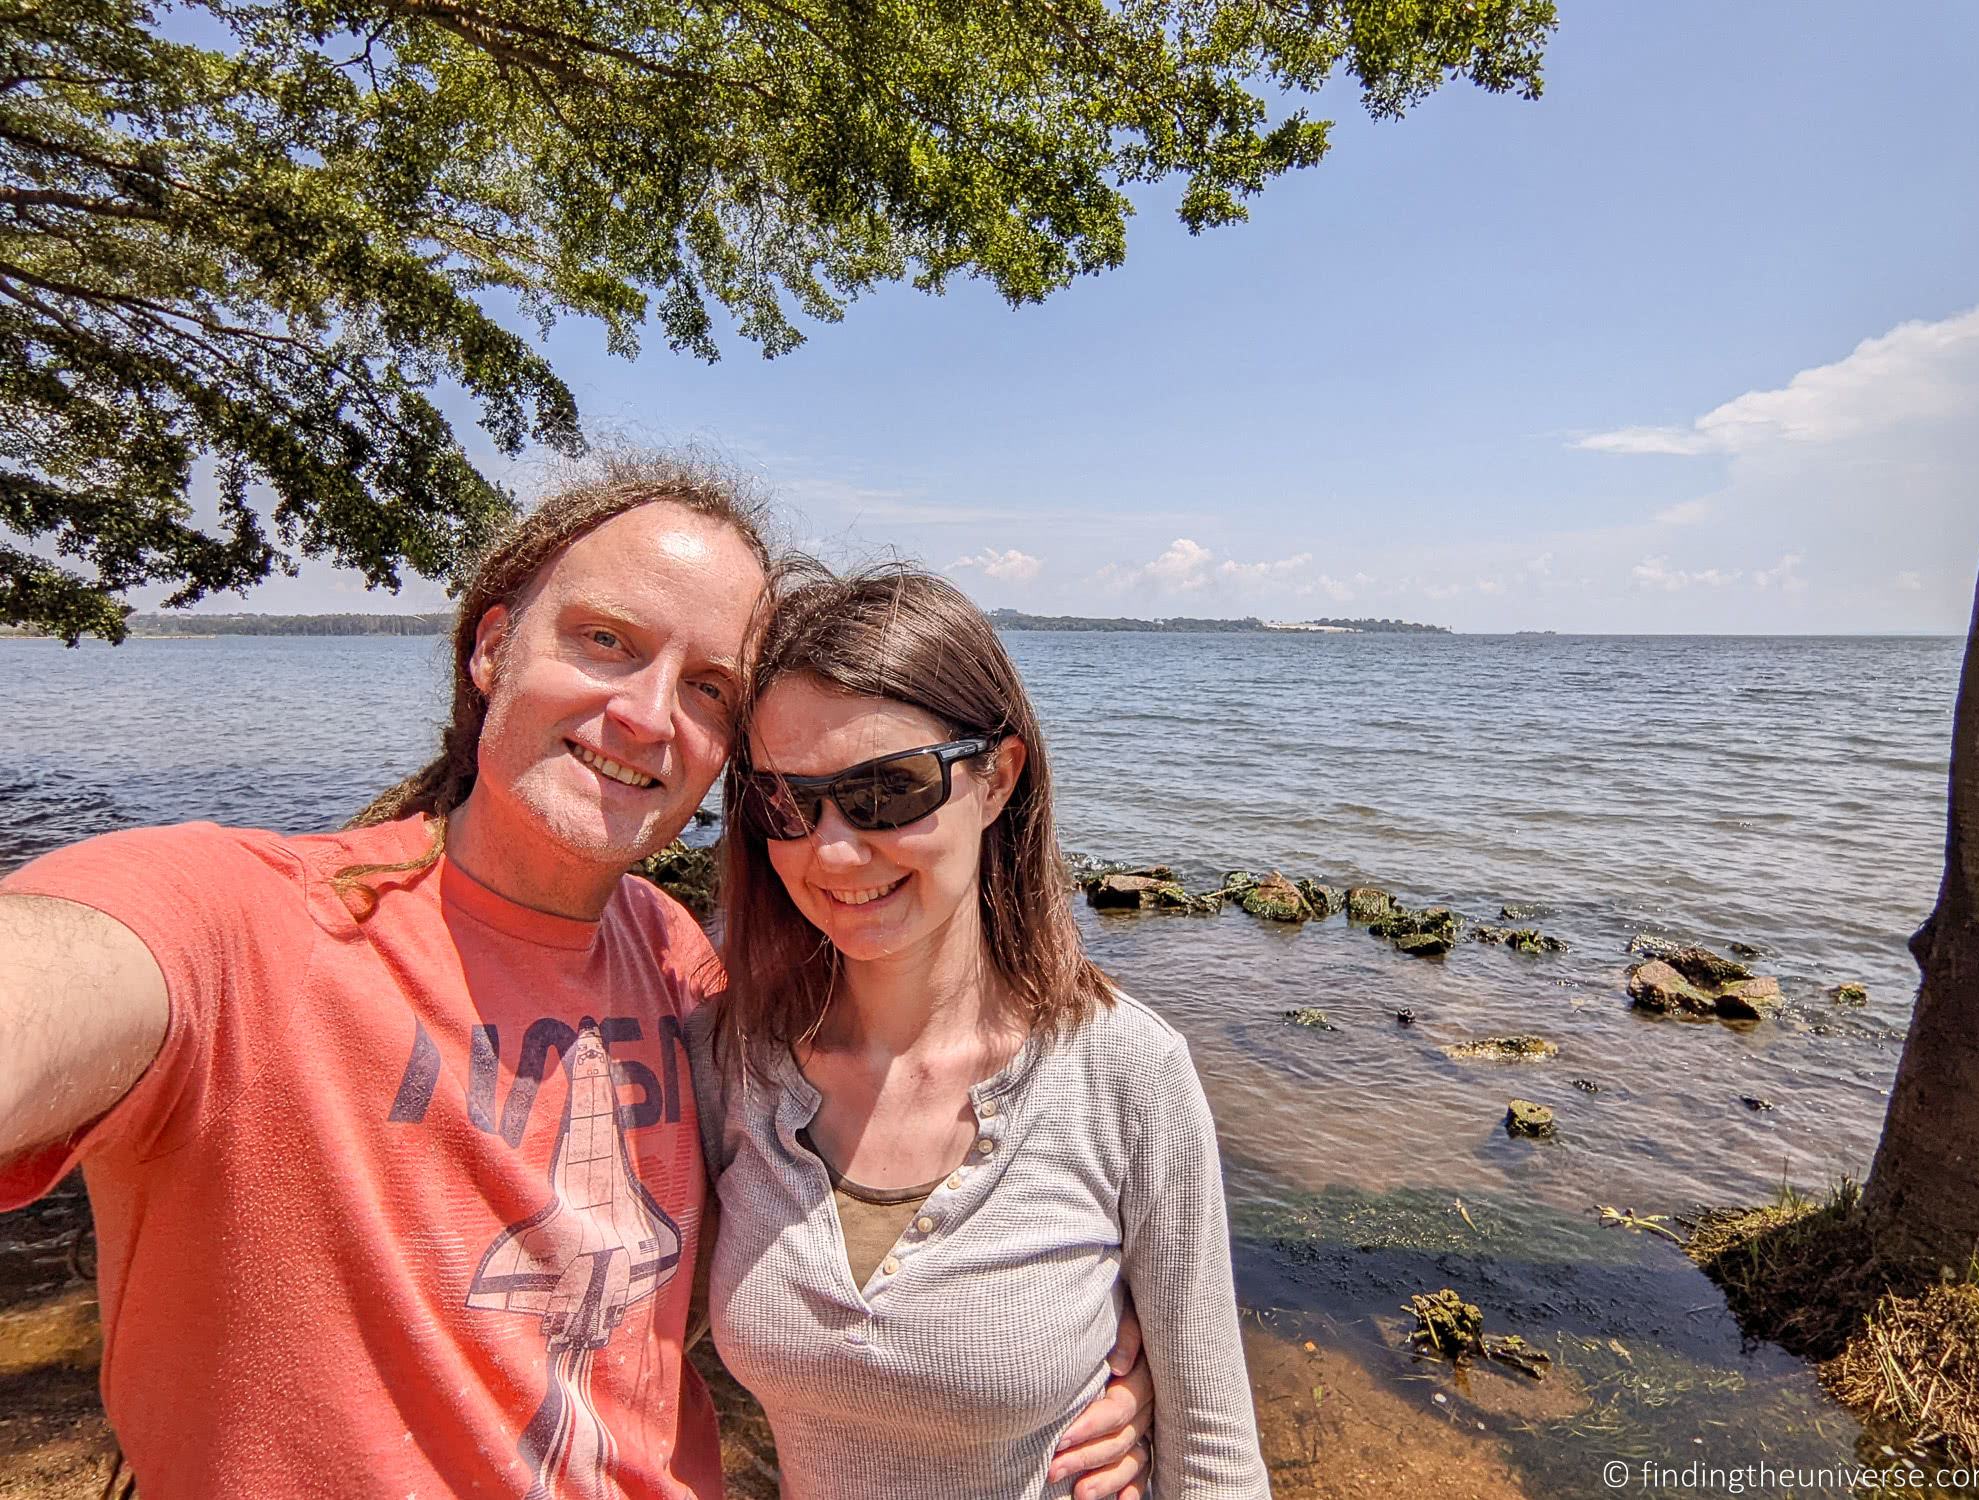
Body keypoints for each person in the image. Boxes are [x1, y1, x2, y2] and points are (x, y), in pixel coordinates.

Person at [0, 457, 1152, 1498]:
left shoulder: (682, 967)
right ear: (492, 644)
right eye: (604, 639)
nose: (648, 716)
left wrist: (1082, 1357)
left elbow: (876, 1172)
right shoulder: (245, 919)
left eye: (709, 688)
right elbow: (62, 975)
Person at [690, 562, 1270, 1498]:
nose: (831, 849)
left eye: (887, 792)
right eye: (785, 803)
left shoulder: (1127, 1072)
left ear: (997, 778)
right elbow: (607, 1342)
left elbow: (1216, 1459)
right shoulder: (731, 1060)